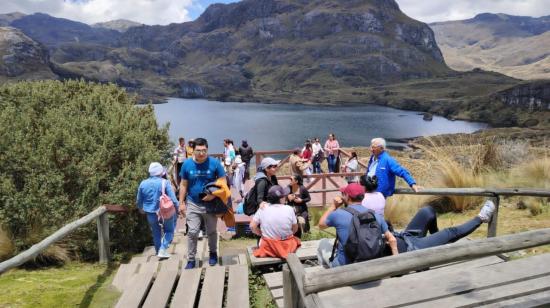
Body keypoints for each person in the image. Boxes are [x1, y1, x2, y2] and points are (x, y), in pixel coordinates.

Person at [317, 183, 397, 267]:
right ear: (362, 197)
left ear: (347, 196)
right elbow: (392, 239)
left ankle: (326, 273)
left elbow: (321, 225)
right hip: (371, 264)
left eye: (343, 194)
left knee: (323, 242)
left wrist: (333, 206)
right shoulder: (375, 215)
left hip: (344, 267)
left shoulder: (338, 214)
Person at [179, 138, 226, 269]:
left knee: (211, 231)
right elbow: (183, 184)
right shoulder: (187, 164)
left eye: (204, 150)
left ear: (207, 149)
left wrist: (213, 195)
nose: (201, 153)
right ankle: (191, 258)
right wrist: (181, 202)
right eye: (198, 151)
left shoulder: (215, 163)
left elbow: (223, 182)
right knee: (192, 232)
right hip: (193, 203)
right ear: (192, 150)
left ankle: (212, 253)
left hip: (210, 204)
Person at [392, 200, 496, 254]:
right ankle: (481, 218)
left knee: (427, 211)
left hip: (404, 237)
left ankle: (437, 240)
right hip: (411, 249)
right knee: (450, 232)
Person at [137, 162, 179, 258]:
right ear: (161, 172)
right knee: (169, 231)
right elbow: (173, 199)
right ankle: (163, 249)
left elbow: (139, 200)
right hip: (165, 212)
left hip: (150, 213)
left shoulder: (143, 183)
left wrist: (140, 208)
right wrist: (178, 209)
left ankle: (158, 251)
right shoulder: (164, 182)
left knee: (156, 232)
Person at [250, 185, 301, 259]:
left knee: (262, 239)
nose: (285, 197)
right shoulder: (289, 209)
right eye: (284, 196)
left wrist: (261, 233)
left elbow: (252, 226)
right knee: (296, 239)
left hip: (268, 246)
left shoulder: (263, 208)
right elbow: (295, 228)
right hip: (287, 245)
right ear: (280, 199)